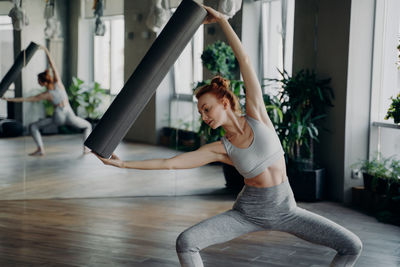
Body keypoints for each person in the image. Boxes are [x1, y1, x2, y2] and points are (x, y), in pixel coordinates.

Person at [95, 6, 362, 267]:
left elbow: (245, 61)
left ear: (224, 101)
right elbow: (171, 163)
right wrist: (122, 164)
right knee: (186, 241)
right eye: (200, 112)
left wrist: (222, 20)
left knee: (352, 246)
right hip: (247, 214)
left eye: (206, 108)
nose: (204, 116)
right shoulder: (221, 148)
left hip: (287, 211)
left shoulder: (258, 116)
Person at [2, 45, 92, 156]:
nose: (37, 82)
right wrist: (45, 50)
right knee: (87, 126)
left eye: (38, 80)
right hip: (69, 114)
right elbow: (53, 65)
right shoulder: (58, 84)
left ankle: (41, 149)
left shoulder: (46, 94)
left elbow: (27, 99)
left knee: (33, 126)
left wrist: (8, 99)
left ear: (43, 82)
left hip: (58, 117)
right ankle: (86, 149)